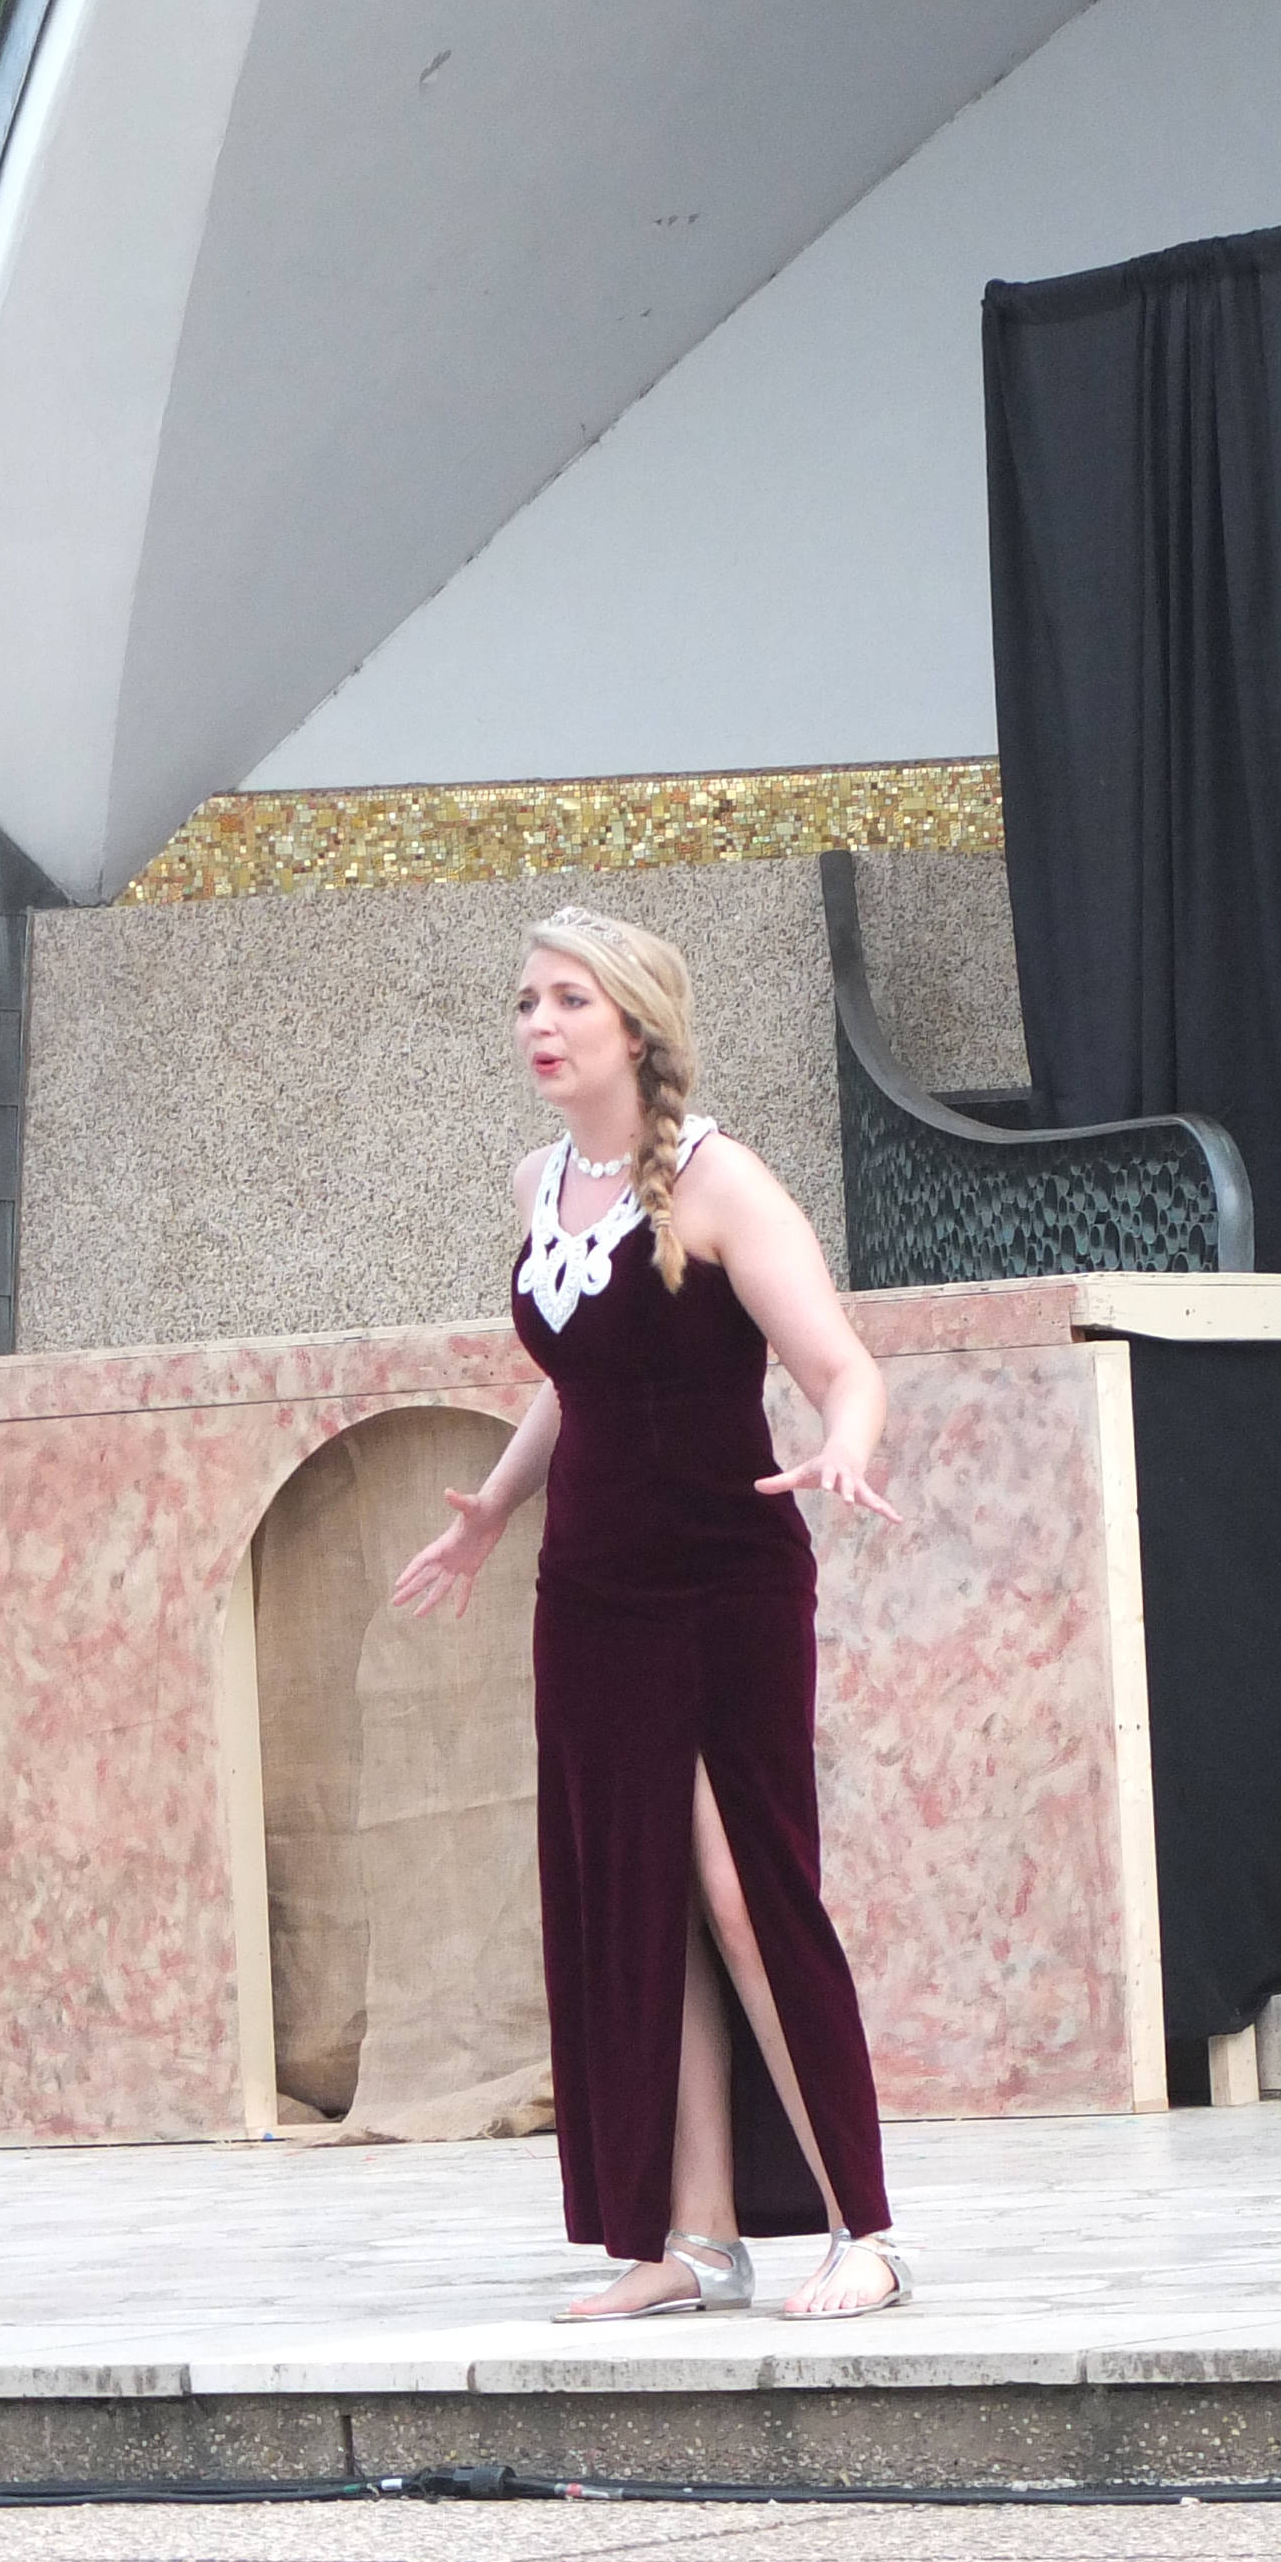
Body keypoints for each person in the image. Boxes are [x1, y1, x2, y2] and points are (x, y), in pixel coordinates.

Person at [391, 906, 912, 2321]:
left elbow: (841, 1366)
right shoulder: (538, 1183)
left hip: (723, 1582)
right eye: (526, 1001)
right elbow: (582, 1379)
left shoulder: (720, 1180)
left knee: (745, 1896)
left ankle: (865, 2230)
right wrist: (497, 1507)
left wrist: (846, 1446)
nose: (539, 1025)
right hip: (591, 1592)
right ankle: (696, 2241)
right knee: (638, 1901)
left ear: (636, 1025)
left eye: (569, 1000)